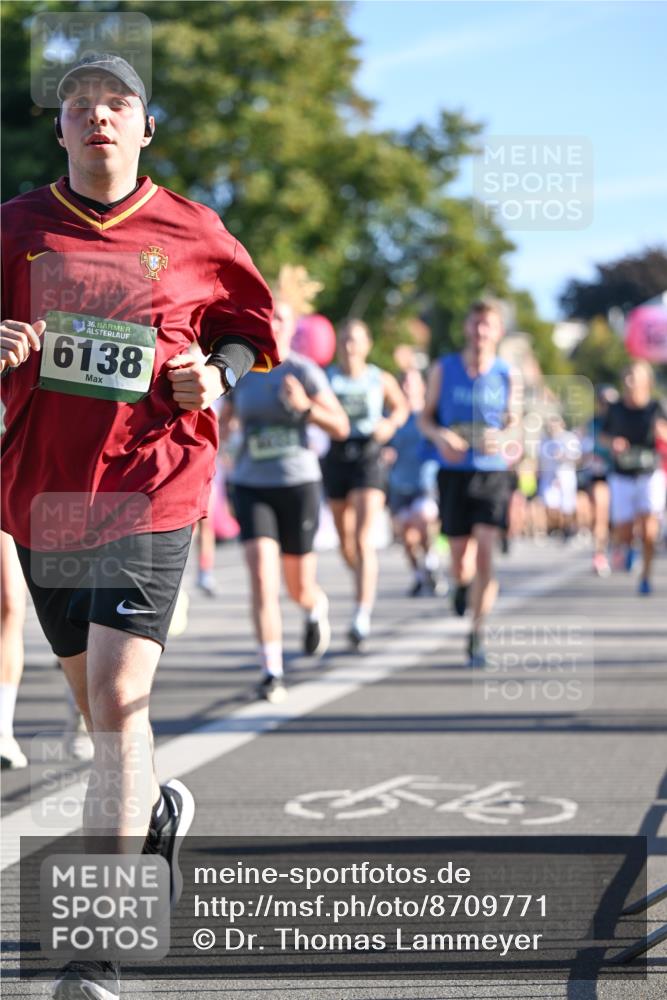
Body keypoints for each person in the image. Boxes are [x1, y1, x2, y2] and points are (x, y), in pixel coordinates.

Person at [0, 53, 278, 999]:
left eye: (116, 104)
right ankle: (152, 806)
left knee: (119, 705)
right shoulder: (15, 230)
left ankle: (96, 951)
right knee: (97, 712)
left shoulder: (193, 229)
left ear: (144, 128)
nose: (97, 118)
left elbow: (246, 327)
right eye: (79, 107)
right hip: (47, 494)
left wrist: (220, 374)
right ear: (62, 131)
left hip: (154, 483)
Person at [222, 268, 349, 702]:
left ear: (293, 329)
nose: (273, 325)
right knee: (261, 577)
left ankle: (314, 607)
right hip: (251, 483)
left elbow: (341, 426)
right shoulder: (243, 371)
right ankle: (271, 670)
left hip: (298, 485)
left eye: (282, 320)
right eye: (269, 318)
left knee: (298, 587)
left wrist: (305, 408)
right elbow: (221, 425)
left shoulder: (304, 371)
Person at [420, 299, 519, 667]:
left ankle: (478, 634)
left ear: (498, 332)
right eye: (475, 324)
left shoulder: (509, 374)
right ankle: (461, 586)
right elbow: (425, 419)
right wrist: (441, 437)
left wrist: (504, 436)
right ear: (467, 328)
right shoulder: (443, 369)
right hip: (454, 473)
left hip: (492, 472)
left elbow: (517, 422)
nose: (480, 332)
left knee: (487, 553)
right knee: (461, 560)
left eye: (487, 326)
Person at [322, 319, 408, 648]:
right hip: (337, 454)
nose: (349, 345)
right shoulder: (328, 377)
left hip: (369, 454)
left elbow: (401, 406)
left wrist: (390, 424)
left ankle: (361, 613)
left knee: (362, 537)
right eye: (344, 339)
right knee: (346, 542)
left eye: (355, 339)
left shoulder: (378, 378)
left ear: (367, 345)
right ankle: (361, 576)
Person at [600, 361, 667, 594]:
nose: (629, 381)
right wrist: (613, 443)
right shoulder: (615, 408)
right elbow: (603, 437)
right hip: (622, 475)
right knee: (624, 530)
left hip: (650, 473)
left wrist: (662, 434)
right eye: (627, 376)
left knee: (650, 531)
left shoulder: (657, 407)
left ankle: (646, 576)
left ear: (646, 382)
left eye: (634, 376)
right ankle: (627, 548)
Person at [384, 368, 441, 596]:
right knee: (407, 539)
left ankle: (432, 565)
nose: (408, 388)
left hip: (425, 483)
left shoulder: (428, 417)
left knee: (423, 520)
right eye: (404, 383)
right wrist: (386, 452)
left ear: (422, 387)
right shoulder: (394, 417)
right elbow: (384, 442)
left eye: (412, 383)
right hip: (399, 483)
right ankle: (420, 576)